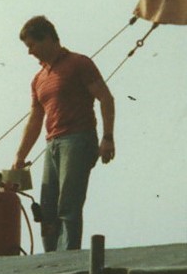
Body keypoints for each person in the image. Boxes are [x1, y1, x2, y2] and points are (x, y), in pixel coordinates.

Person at [12, 16, 115, 252]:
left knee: (68, 204)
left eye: (32, 45)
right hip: (53, 144)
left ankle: (68, 257)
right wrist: (20, 156)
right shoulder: (38, 79)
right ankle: (51, 261)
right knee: (48, 208)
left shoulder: (79, 63)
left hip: (78, 139)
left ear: (47, 38)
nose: (30, 52)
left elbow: (106, 98)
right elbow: (36, 119)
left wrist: (107, 138)